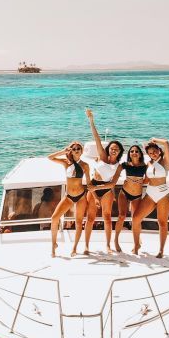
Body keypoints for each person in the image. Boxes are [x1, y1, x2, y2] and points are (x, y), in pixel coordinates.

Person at [84, 108, 124, 254]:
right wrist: (91, 120)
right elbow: (97, 138)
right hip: (94, 185)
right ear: (109, 149)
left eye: (117, 149)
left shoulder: (119, 166)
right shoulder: (102, 157)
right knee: (90, 218)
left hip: (106, 190)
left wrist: (96, 189)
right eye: (112, 148)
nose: (114, 150)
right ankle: (87, 246)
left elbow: (113, 184)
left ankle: (108, 245)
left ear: (119, 152)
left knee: (107, 218)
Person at [47, 143, 91, 257]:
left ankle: (75, 248)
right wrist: (63, 151)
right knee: (54, 218)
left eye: (78, 149)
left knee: (79, 222)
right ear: (71, 151)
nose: (76, 150)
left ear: (81, 151)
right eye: (74, 149)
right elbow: (50, 157)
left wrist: (96, 196)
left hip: (81, 196)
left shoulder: (85, 165)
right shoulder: (66, 163)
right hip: (69, 196)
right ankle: (53, 245)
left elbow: (89, 184)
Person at [132, 137, 169, 257]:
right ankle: (136, 245)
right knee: (136, 218)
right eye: (150, 153)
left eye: (154, 151)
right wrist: (133, 182)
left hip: (163, 195)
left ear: (159, 150)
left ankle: (161, 250)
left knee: (162, 222)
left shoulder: (165, 161)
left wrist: (154, 140)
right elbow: (147, 179)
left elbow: (166, 143)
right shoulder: (148, 163)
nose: (152, 154)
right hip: (150, 193)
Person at [113, 144, 147, 253]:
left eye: (136, 151)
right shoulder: (125, 165)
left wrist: (138, 182)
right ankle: (116, 240)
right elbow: (115, 171)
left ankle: (136, 245)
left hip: (137, 196)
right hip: (124, 193)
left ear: (140, 154)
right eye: (132, 151)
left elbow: (149, 179)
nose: (134, 153)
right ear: (129, 154)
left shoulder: (144, 166)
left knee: (136, 220)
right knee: (122, 216)